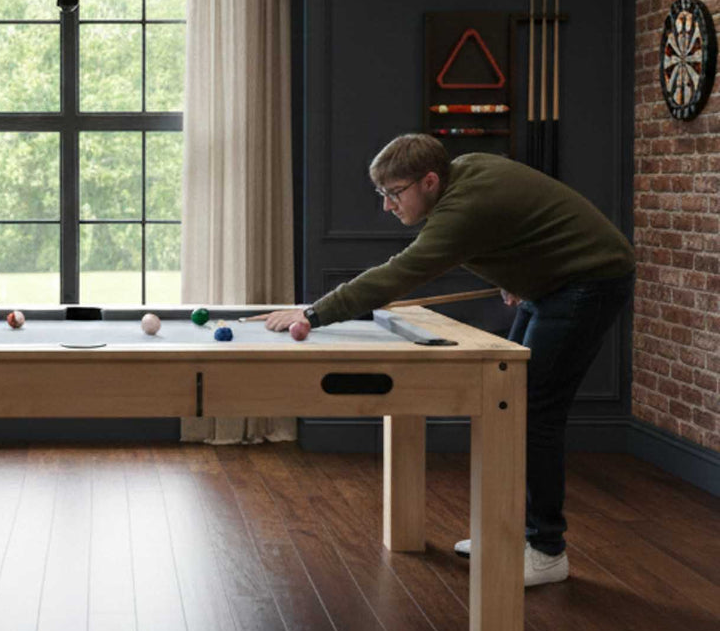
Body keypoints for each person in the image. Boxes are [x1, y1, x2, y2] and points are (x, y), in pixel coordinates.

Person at [265, 134, 634, 586]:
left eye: (394, 193)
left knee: (534, 413)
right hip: (555, 281)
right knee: (508, 402)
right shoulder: (468, 168)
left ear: (430, 181)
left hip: (588, 281)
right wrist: (517, 270)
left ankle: (546, 549)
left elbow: (398, 273)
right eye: (381, 194)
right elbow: (517, 221)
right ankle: (507, 537)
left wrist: (313, 312)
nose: (387, 206)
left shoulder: (460, 210)